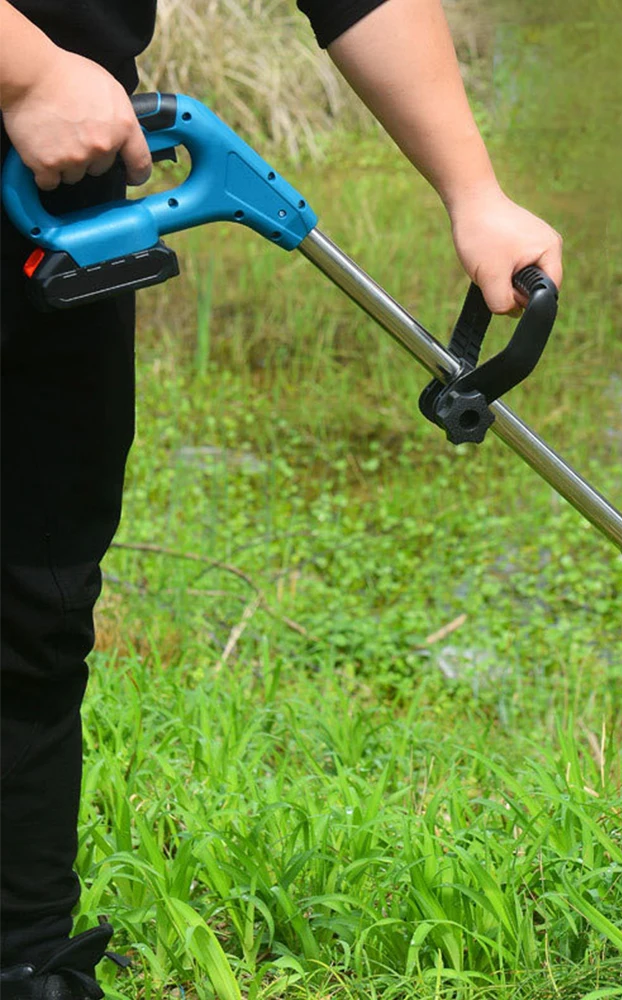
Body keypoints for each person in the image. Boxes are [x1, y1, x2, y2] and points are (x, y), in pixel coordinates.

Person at [0, 0, 563, 994]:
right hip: (49, 106)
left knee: (36, 600)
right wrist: (27, 70)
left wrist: (474, 191)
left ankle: (25, 959)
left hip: (70, 175)